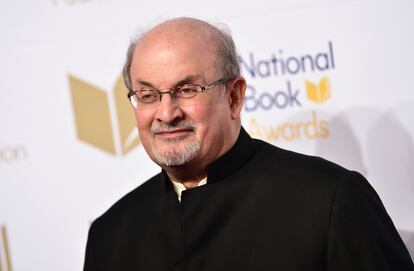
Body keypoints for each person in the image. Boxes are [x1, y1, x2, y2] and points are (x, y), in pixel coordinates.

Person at [83, 17, 414, 271]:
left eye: (186, 90)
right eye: (148, 95)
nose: (166, 113)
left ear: (234, 96)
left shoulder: (331, 200)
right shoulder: (110, 234)